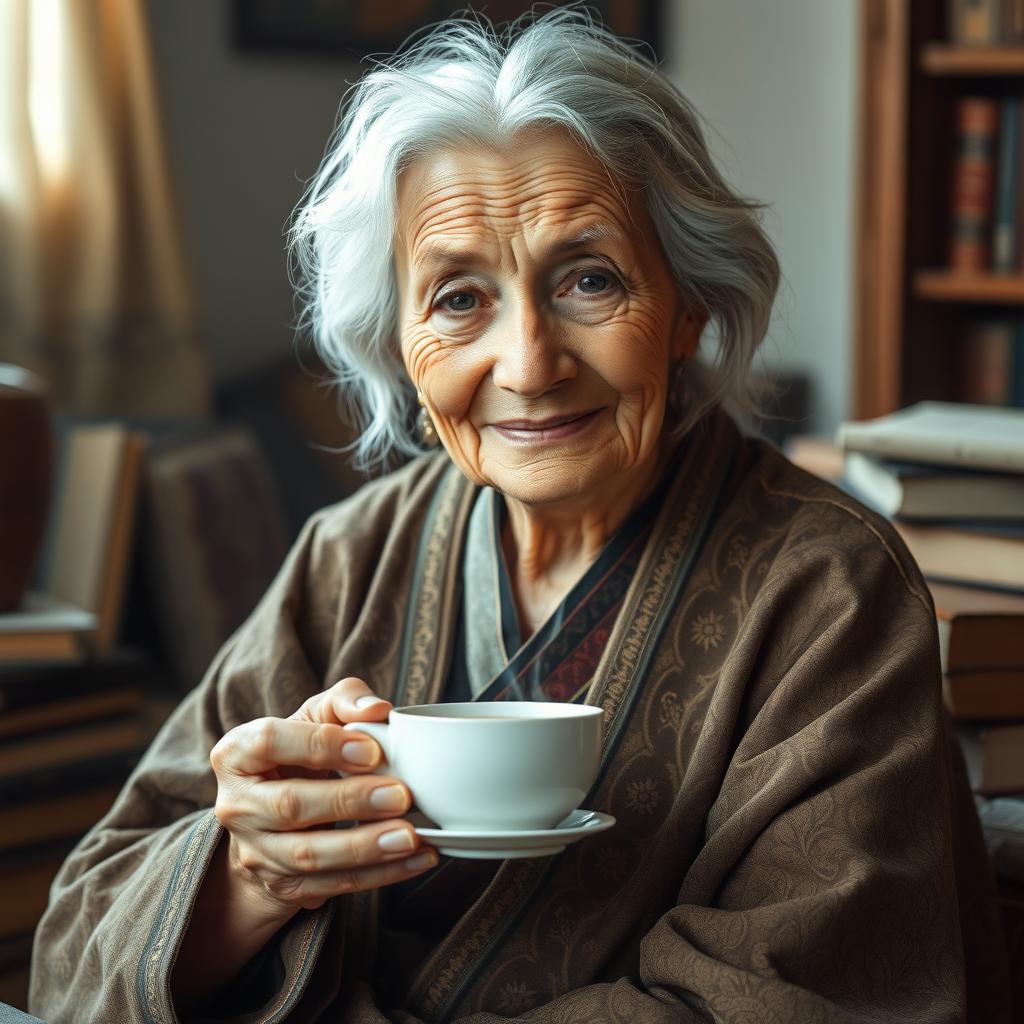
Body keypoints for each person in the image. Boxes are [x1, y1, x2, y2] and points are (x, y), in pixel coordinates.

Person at [30, 9, 1012, 1023]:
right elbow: (77, 942)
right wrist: (250, 877)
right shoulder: (351, 557)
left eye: (590, 279)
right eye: (458, 298)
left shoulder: (828, 589)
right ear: (399, 347)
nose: (530, 365)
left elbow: (793, 998)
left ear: (687, 310)